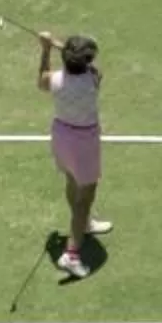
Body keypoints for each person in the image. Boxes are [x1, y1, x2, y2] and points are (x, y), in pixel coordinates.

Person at [34, 29, 112, 278]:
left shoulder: (54, 81)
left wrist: (45, 48)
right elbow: (89, 64)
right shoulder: (93, 79)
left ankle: (85, 224)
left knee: (71, 181)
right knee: (85, 197)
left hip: (61, 136)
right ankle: (71, 255)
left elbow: (41, 79)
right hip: (84, 141)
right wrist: (57, 45)